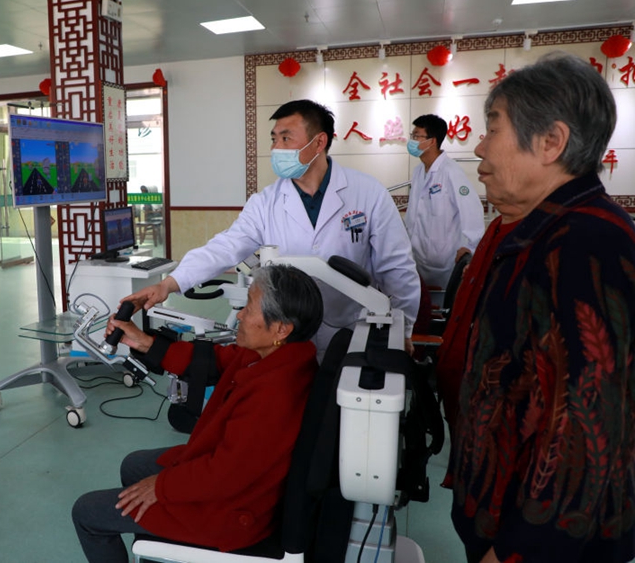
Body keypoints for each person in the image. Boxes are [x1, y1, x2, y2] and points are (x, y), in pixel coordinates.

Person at [439, 52, 635, 563]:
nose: (479, 147)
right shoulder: (538, 232)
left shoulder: (587, 243)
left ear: (551, 142)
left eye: (493, 128)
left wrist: (516, 553)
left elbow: (587, 428)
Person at [124, 99, 420, 354]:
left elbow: (396, 267)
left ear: (319, 142)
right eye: (274, 139)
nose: (276, 148)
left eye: (286, 138)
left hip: (351, 328)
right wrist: (168, 284)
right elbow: (225, 247)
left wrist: (403, 330)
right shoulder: (266, 202)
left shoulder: (368, 193)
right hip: (287, 334)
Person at [71, 265, 324, 562]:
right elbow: (215, 362)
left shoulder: (276, 393)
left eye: (249, 308)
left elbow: (226, 474)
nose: (240, 315)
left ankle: (166, 529)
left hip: (230, 513)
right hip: (229, 478)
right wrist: (145, 343)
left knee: (87, 512)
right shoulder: (272, 354)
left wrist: (162, 487)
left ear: (281, 329)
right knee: (134, 465)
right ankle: (157, 536)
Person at [404, 114, 485, 289]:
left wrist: (471, 247)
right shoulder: (418, 171)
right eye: (412, 135)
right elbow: (413, 214)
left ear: (432, 141)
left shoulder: (451, 172)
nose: (412, 141)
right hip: (418, 260)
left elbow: (472, 210)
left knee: (443, 303)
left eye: (416, 136)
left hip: (445, 264)